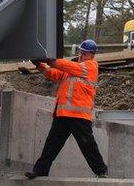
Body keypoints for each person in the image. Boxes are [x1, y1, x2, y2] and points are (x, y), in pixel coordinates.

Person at [24, 39, 108, 179]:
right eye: (81, 52)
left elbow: (64, 65)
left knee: (87, 145)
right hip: (63, 114)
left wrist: (50, 60)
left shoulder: (90, 66)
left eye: (85, 53)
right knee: (52, 143)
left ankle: (101, 171)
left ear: (92, 55)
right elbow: (54, 73)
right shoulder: (72, 68)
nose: (81, 55)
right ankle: (40, 170)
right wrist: (40, 65)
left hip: (79, 115)